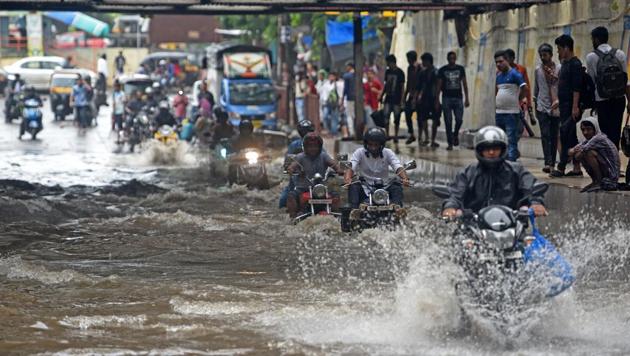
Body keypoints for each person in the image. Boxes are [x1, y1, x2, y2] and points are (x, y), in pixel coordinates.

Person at [441, 126, 547, 218]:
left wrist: (536, 202)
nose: (491, 152)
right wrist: (450, 207)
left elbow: (532, 187)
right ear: (480, 150)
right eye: (487, 148)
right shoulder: (468, 172)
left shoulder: (516, 170)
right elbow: (455, 194)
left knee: (533, 241)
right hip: (473, 226)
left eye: (495, 148)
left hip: (512, 224)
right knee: (455, 240)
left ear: (502, 149)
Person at [586, 26, 630, 150]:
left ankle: (607, 163)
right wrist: (629, 101)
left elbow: (592, 81)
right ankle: (615, 160)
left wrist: (591, 103)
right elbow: (626, 80)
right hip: (619, 99)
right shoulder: (620, 54)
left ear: (596, 39)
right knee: (615, 131)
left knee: (604, 134)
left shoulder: (591, 57)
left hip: (602, 100)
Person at [344, 127, 410, 208]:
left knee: (396, 185)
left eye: (376, 145)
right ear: (366, 143)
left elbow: (397, 166)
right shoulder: (359, 152)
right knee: (354, 186)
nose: (373, 147)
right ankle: (353, 212)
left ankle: (397, 209)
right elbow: (351, 166)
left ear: (381, 144)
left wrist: (405, 178)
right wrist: (348, 178)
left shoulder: (388, 152)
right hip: (365, 188)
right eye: (370, 144)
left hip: (385, 188)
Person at [286, 132, 344, 218]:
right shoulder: (300, 157)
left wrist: (339, 169)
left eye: (315, 146)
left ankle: (338, 218)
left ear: (320, 147)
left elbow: (333, 163)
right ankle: (293, 218)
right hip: (303, 188)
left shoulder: (323, 156)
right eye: (310, 146)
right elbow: (293, 165)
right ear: (305, 147)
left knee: (336, 196)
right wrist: (291, 169)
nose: (313, 149)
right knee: (291, 196)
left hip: (321, 189)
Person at [550, 35, 584, 178]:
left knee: (564, 135)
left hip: (571, 107)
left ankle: (561, 167)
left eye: (559, 49)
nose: (558, 53)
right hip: (564, 106)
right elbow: (566, 84)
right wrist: (558, 100)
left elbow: (577, 88)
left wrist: (575, 107)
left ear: (566, 48)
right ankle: (577, 168)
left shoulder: (575, 64)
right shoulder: (565, 64)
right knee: (571, 137)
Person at [569, 117, 620, 192]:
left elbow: (579, 151)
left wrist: (573, 152)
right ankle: (595, 181)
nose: (585, 132)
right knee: (582, 154)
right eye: (583, 130)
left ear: (595, 129)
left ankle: (598, 181)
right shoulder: (588, 140)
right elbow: (573, 151)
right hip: (606, 170)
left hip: (611, 174)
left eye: (588, 129)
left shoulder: (599, 138)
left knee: (588, 153)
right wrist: (573, 152)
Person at [494, 50, 527, 161]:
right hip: (499, 113)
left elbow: (525, 88)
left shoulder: (515, 74)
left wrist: (518, 99)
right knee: (500, 139)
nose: (498, 64)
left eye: (500, 61)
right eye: (496, 62)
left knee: (511, 139)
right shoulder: (498, 76)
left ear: (507, 60)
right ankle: (502, 160)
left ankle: (511, 163)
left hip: (511, 113)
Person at [534, 43, 561, 173]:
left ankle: (552, 164)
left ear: (551, 55)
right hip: (542, 106)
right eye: (541, 55)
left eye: (545, 55)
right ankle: (547, 162)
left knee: (554, 135)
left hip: (556, 106)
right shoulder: (538, 70)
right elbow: (536, 89)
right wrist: (535, 106)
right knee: (545, 134)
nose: (542, 57)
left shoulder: (559, 69)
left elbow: (562, 86)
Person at [437, 51, 470, 150]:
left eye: (453, 58)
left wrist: (467, 98)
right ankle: (450, 143)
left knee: (459, 120)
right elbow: (439, 85)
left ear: (455, 59)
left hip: (458, 98)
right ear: (448, 59)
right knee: (448, 121)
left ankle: (455, 134)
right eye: (450, 58)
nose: (452, 60)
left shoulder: (460, 69)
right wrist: (437, 99)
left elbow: (464, 84)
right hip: (446, 98)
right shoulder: (442, 70)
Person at [279, 120, 316, 209]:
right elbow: (287, 162)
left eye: (309, 131)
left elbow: (327, 159)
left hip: (315, 179)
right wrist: (290, 168)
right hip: (298, 178)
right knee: (283, 200)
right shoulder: (294, 145)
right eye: (304, 131)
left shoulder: (318, 143)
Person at [416, 52, 440, 148]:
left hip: (433, 98)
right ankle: (427, 138)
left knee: (435, 120)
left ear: (428, 61)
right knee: (424, 119)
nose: (423, 63)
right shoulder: (422, 72)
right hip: (425, 99)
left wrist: (437, 99)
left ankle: (433, 140)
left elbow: (438, 86)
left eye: (424, 61)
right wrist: (418, 96)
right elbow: (420, 86)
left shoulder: (436, 72)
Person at [380, 54, 405, 140]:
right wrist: (382, 95)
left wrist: (402, 100)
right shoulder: (388, 72)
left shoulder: (400, 72)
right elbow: (386, 85)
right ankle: (387, 134)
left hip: (397, 99)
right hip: (388, 98)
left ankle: (396, 135)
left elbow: (402, 87)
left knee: (396, 117)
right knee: (386, 116)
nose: (387, 64)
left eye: (388, 62)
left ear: (392, 62)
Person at [403, 51, 421, 145]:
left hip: (418, 96)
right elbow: (409, 82)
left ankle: (421, 137)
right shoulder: (409, 68)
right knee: (407, 114)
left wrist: (417, 95)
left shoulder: (419, 67)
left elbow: (420, 83)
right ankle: (412, 134)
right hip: (411, 95)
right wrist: (405, 95)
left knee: (420, 117)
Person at [319, 71, 343, 136]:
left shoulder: (339, 84)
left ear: (335, 77)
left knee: (334, 118)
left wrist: (341, 103)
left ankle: (333, 132)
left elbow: (340, 94)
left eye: (332, 76)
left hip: (335, 104)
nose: (331, 77)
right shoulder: (326, 84)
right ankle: (327, 129)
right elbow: (322, 93)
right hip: (326, 103)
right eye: (330, 76)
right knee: (325, 116)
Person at [341, 61, 356, 138]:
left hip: (350, 98)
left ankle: (352, 132)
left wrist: (342, 99)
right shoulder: (358, 74)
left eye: (347, 66)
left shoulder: (347, 76)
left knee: (349, 116)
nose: (346, 68)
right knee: (355, 115)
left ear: (350, 66)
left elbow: (345, 89)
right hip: (358, 99)